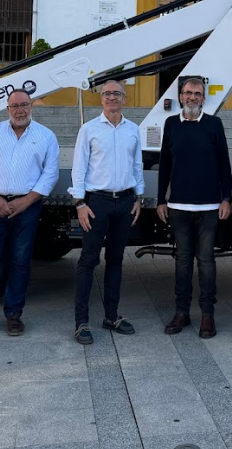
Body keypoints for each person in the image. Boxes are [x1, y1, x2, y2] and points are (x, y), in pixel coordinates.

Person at [0, 88, 59, 339]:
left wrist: (27, 201)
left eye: (24, 105)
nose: (20, 110)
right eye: (14, 106)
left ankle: (14, 314)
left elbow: (50, 173)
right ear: (7, 109)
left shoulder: (45, 136)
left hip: (27, 208)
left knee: (20, 260)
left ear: (31, 107)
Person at [69, 80, 144, 345]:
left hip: (124, 203)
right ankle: (81, 323)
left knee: (115, 261)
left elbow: (137, 165)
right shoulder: (88, 130)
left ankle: (111, 316)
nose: (111, 97)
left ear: (125, 98)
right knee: (88, 261)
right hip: (96, 203)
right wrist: (80, 203)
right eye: (107, 93)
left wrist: (138, 198)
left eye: (117, 93)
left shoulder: (133, 130)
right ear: (101, 99)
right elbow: (79, 168)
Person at [156, 77, 231, 339]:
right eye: (187, 92)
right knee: (183, 262)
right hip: (178, 206)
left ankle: (207, 315)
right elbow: (164, 163)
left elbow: (224, 163)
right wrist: (160, 200)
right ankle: (182, 313)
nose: (192, 97)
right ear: (180, 96)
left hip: (210, 206)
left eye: (197, 93)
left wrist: (227, 199)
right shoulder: (171, 124)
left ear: (204, 97)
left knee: (207, 261)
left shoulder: (214, 124)